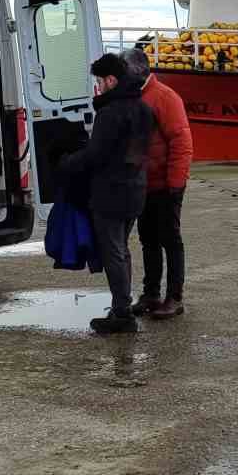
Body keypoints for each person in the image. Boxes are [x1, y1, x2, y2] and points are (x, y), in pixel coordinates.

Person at [61, 53, 153, 334]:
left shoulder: (110, 113)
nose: (97, 87)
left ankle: (122, 314)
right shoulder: (143, 109)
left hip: (110, 193)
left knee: (113, 252)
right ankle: (121, 306)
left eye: (100, 81)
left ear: (111, 80)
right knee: (122, 251)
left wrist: (66, 163)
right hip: (135, 189)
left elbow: (96, 155)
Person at [124, 47, 193, 319]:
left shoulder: (164, 97)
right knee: (148, 240)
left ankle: (174, 298)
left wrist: (175, 184)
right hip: (145, 185)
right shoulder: (137, 97)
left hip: (166, 184)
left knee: (170, 240)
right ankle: (151, 294)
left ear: (138, 70)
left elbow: (181, 141)